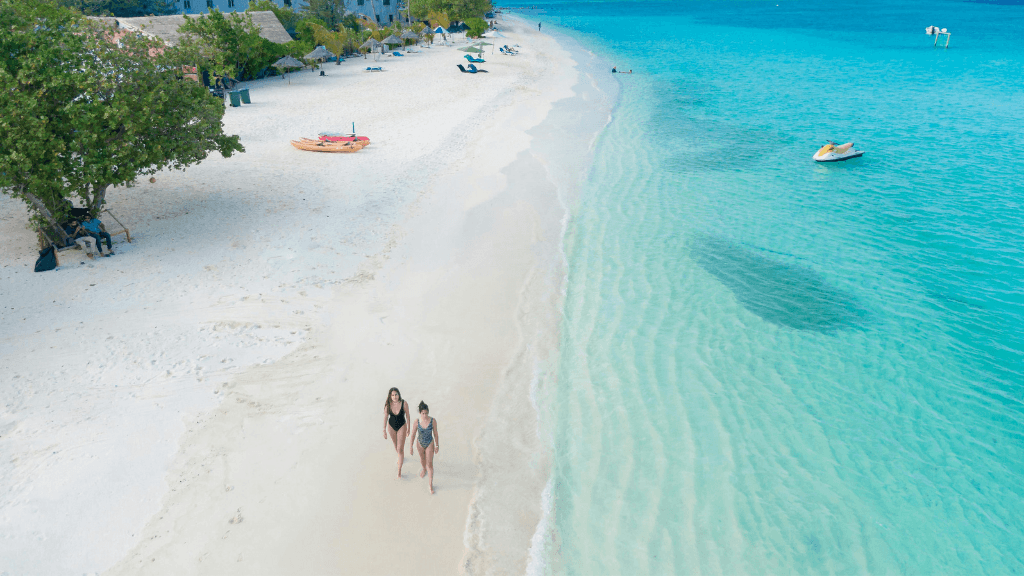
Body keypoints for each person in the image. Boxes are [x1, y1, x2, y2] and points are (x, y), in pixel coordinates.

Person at [410, 401, 440, 494]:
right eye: (423, 413)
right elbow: (413, 434)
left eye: (426, 413)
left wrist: (437, 445)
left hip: (429, 443)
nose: (425, 415)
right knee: (422, 460)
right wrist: (410, 446)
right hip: (420, 444)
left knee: (430, 464)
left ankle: (430, 485)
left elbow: (435, 433)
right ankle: (423, 469)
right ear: (420, 413)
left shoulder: (433, 421)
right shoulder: (417, 421)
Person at [383, 387, 410, 478]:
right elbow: (385, 417)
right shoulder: (388, 405)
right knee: (396, 446)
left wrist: (409, 428)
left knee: (400, 448)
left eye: (396, 394)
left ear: (399, 395)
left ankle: (399, 470)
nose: (395, 397)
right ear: (390, 396)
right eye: (393, 395)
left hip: (402, 426)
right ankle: (400, 457)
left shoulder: (404, 403)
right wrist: (384, 430)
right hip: (391, 427)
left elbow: (408, 416)